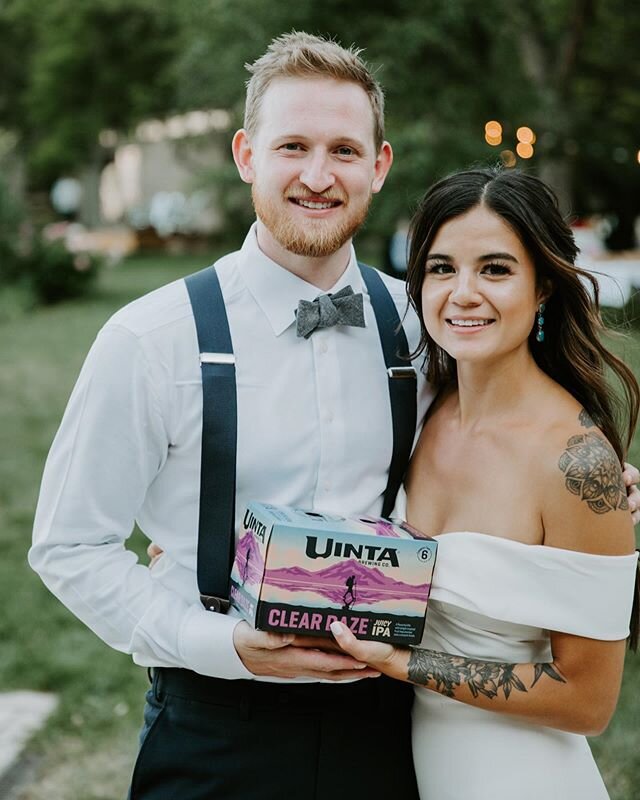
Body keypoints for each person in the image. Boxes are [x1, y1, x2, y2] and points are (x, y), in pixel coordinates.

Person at [29, 32, 435, 800]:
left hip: (389, 725)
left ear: (379, 168)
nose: (319, 176)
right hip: (214, 725)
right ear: (247, 156)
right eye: (294, 147)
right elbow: (69, 546)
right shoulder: (151, 340)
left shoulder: (422, 327)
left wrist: (584, 471)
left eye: (345, 150)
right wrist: (220, 645)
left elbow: (496, 443)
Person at [330, 167, 640, 800]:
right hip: (411, 767)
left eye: (495, 269)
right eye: (442, 269)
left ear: (545, 285)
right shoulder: (423, 410)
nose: (463, 293)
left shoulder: (577, 463)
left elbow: (589, 703)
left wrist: (405, 664)